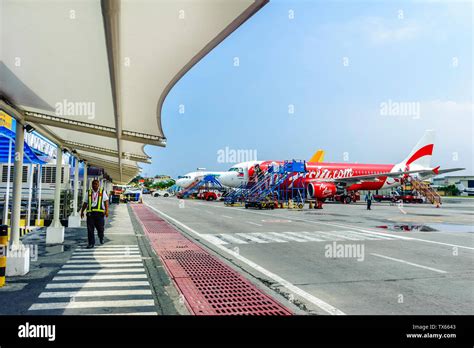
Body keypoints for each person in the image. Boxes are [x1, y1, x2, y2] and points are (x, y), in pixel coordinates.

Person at [80, 179, 109, 248]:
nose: (95, 185)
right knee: (90, 229)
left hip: (99, 214)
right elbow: (85, 203)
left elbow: (106, 201)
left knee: (100, 228)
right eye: (93, 184)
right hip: (90, 214)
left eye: (96, 184)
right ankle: (91, 243)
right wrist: (82, 211)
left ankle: (101, 237)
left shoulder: (102, 192)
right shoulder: (89, 192)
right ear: (92, 185)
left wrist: (107, 211)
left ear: (98, 185)